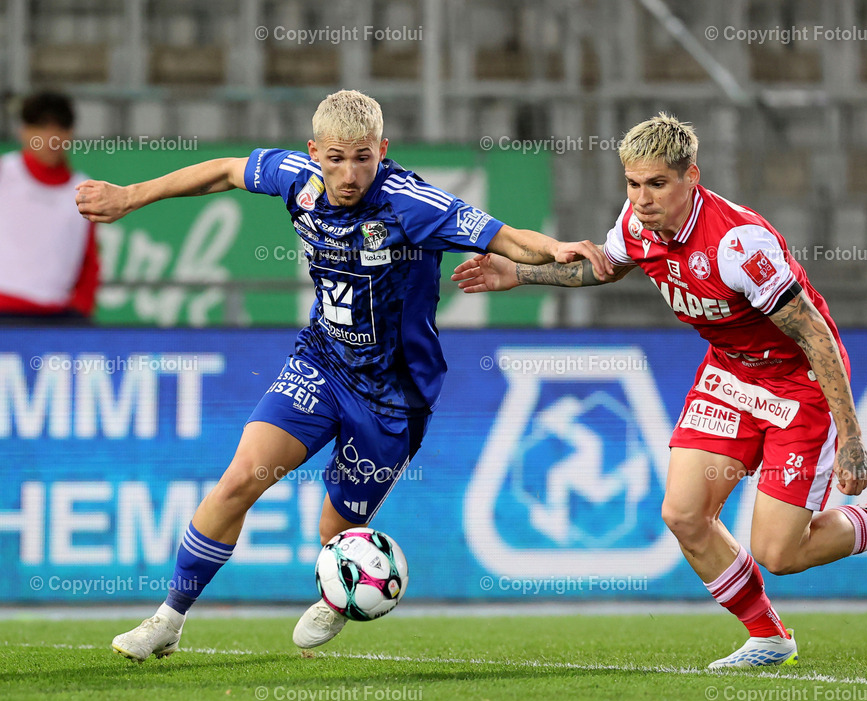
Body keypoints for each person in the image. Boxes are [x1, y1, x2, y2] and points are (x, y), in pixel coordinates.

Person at [76, 89, 608, 662]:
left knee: (335, 530)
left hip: (393, 397)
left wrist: (554, 248)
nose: (348, 173)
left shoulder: (413, 204)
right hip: (321, 365)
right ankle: (168, 619)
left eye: (362, 157)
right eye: (335, 158)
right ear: (314, 152)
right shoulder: (296, 179)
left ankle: (339, 593)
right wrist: (131, 196)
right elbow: (226, 171)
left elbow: (506, 238)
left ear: (383, 150)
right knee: (239, 480)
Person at [452, 113, 867, 669]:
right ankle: (769, 636)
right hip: (731, 378)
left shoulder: (739, 245)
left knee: (778, 553)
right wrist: (520, 274)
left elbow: (816, 334)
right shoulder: (638, 224)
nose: (642, 199)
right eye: (633, 184)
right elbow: (609, 267)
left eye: (657, 184)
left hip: (797, 386)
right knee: (684, 515)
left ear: (692, 176)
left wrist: (852, 436)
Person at [0, 92, 99, 323]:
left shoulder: (83, 188)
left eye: (60, 128)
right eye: (42, 128)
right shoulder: (5, 173)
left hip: (59, 317)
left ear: (70, 134)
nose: (52, 137)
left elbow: (89, 259)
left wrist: (81, 309)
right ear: (24, 131)